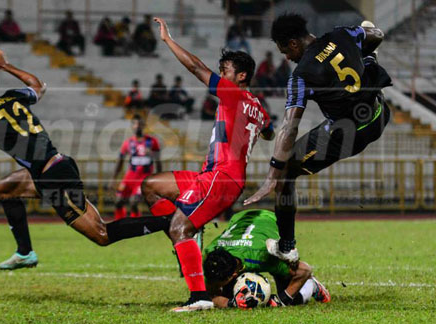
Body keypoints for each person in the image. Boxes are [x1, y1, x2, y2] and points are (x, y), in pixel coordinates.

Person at [0, 50, 173, 270]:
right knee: (6, 189)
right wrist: (5, 66)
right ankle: (25, 252)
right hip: (51, 170)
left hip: (54, 177)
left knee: (101, 234)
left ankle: (171, 222)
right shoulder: (11, 98)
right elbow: (38, 85)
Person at [137, 17, 274, 312]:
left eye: (225, 71)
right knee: (150, 186)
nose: (221, 76)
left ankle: (198, 295)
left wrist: (168, 40)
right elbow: (269, 130)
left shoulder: (233, 93)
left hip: (222, 176)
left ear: (241, 76)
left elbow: (196, 68)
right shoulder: (258, 107)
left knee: (178, 228)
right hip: (213, 175)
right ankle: (188, 237)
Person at [243, 16, 391, 264]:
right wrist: (365, 52)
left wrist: (272, 175)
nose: (287, 58)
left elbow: (290, 127)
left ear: (293, 43)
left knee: (287, 170)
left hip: (350, 132)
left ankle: (287, 247)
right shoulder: (341, 34)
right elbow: (378, 35)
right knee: (364, 34)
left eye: (285, 52)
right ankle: (368, 63)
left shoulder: (301, 76)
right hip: (379, 113)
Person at [203, 209, 330, 309]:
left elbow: (304, 270)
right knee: (227, 295)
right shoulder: (211, 255)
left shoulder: (262, 256)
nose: (213, 283)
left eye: (217, 282)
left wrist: (281, 300)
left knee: (293, 299)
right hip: (241, 218)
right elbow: (211, 296)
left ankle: (312, 285)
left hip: (269, 221)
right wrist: (231, 303)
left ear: (234, 274)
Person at [112, 115, 162, 220]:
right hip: (129, 178)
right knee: (118, 201)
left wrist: (159, 179)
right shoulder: (128, 143)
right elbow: (120, 161)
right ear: (132, 126)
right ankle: (120, 223)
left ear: (144, 126)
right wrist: (113, 178)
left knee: (134, 202)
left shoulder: (152, 142)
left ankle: (134, 223)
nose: (137, 126)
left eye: (140, 124)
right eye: (135, 124)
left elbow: (158, 161)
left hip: (143, 179)